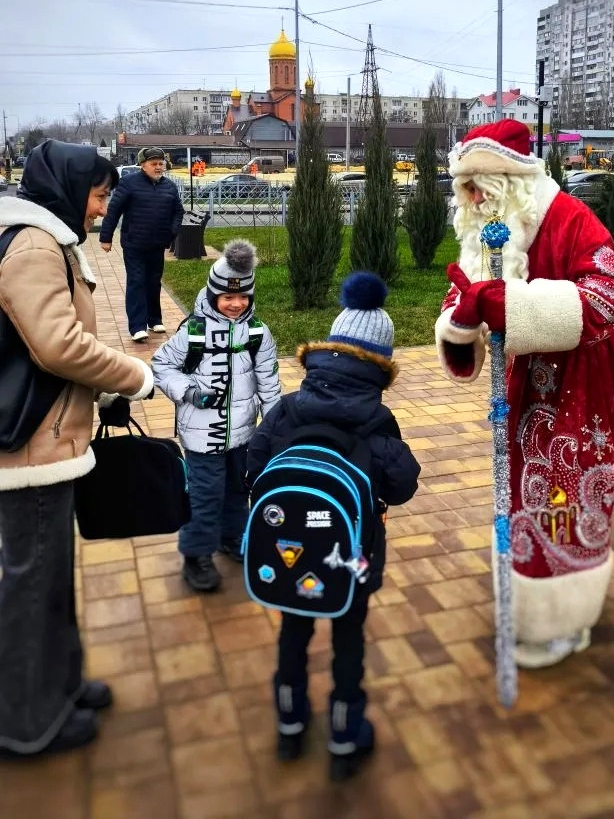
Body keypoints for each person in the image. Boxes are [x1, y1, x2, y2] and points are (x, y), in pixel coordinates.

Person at [435, 120, 614, 669]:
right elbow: (466, 292)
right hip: (526, 387)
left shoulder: (569, 218)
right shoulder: (490, 231)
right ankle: (529, 604)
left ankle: (561, 619)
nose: (473, 200)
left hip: (586, 382)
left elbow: (612, 296)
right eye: (466, 189)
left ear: (511, 184)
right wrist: (462, 319)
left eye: (481, 188)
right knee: (524, 495)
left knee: (563, 497)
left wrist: (514, 307)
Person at [0, 140, 155, 757]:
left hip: (44, 438)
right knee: (32, 585)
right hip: (30, 448)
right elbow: (57, 345)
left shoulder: (40, 237)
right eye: (98, 195)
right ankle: (25, 723)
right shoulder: (36, 245)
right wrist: (133, 376)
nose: (102, 208)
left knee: (50, 579)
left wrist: (100, 390)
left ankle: (59, 686)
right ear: (67, 186)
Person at [246, 272, 420, 780]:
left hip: (288, 553)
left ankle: (289, 724)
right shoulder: (377, 421)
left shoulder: (287, 409)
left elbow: (253, 466)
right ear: (380, 365)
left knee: (293, 632)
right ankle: (345, 735)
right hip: (353, 558)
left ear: (329, 348)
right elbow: (403, 484)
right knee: (348, 639)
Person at [151, 239, 281, 592]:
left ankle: (232, 536)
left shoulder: (258, 333)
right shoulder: (193, 331)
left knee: (238, 490)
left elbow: (269, 383)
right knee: (206, 494)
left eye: (243, 297)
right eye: (227, 297)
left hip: (244, 433)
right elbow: (161, 365)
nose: (236, 304)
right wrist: (189, 391)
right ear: (212, 295)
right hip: (201, 435)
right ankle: (197, 553)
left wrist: (273, 427)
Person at [99, 146, 183, 342]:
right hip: (134, 244)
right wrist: (106, 237)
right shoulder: (129, 183)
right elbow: (114, 210)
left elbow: (178, 211)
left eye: (161, 164)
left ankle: (154, 320)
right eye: (154, 164)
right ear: (143, 165)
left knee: (153, 282)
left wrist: (172, 232)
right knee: (137, 282)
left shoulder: (169, 186)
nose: (158, 167)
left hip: (157, 244)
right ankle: (137, 327)